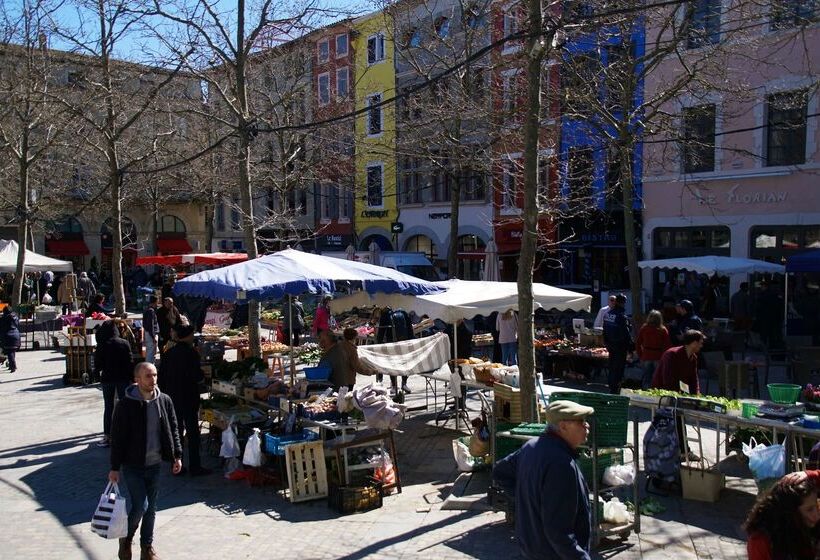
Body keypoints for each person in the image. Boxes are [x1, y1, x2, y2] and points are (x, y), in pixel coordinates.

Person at [493, 400, 595, 559]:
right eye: (580, 421)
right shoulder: (561, 464)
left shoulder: (532, 446)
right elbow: (559, 533)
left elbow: (500, 471)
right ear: (563, 426)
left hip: (532, 548)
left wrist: (527, 500)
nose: (586, 425)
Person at [109, 362, 182, 560]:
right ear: (137, 379)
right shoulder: (125, 405)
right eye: (148, 376)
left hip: (155, 464)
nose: (153, 380)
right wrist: (114, 467)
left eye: (155, 375)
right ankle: (126, 539)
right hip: (132, 465)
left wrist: (177, 455)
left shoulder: (164, 400)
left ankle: (147, 548)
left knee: (151, 508)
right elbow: (118, 438)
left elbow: (173, 428)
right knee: (141, 505)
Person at [158, 324, 210, 477]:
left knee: (176, 432)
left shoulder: (169, 353)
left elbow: (161, 377)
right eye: (192, 334)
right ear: (187, 336)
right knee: (193, 433)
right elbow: (197, 376)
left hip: (172, 398)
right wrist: (203, 377)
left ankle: (177, 465)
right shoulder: (191, 353)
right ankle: (195, 466)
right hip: (188, 397)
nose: (193, 337)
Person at [744, 470, 820, 559]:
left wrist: (812, 475)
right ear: (789, 512)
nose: (817, 516)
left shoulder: (811, 527)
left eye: (817, 506)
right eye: (809, 510)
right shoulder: (761, 541)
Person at [96, 320, 134, 447]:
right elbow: (130, 362)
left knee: (108, 407)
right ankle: (126, 433)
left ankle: (107, 435)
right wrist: (132, 377)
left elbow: (98, 364)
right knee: (124, 406)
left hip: (107, 379)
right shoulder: (124, 343)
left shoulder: (102, 344)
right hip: (123, 378)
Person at [651, 329, 705, 394]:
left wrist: (696, 394)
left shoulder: (693, 358)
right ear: (694, 343)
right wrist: (675, 394)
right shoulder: (672, 354)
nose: (701, 346)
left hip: (679, 392)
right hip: (661, 392)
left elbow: (693, 379)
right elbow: (668, 379)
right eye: (700, 343)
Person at [602, 293, 632, 394]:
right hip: (620, 346)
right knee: (618, 368)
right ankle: (615, 388)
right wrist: (631, 347)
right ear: (622, 303)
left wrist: (606, 343)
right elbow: (626, 334)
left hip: (610, 345)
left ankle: (611, 386)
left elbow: (604, 330)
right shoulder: (621, 316)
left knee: (612, 366)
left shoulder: (607, 314)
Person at [635, 310, 671, 388]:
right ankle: (656, 392)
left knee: (646, 377)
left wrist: (641, 355)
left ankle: (646, 392)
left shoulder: (644, 328)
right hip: (658, 356)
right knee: (657, 378)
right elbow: (667, 345)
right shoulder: (663, 330)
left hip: (646, 356)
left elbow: (638, 343)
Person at [0, 306, 21, 373]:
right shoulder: (15, 317)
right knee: (12, 351)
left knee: (10, 352)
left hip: (7, 336)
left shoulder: (3, 318)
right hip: (16, 335)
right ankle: (11, 365)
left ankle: (13, 366)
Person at [142, 296, 159, 364]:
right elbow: (150, 325)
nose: (157, 304)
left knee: (151, 352)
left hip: (149, 333)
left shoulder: (147, 309)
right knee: (151, 352)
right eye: (157, 302)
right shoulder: (150, 311)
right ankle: (149, 366)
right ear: (155, 302)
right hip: (151, 333)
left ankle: (150, 365)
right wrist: (153, 336)